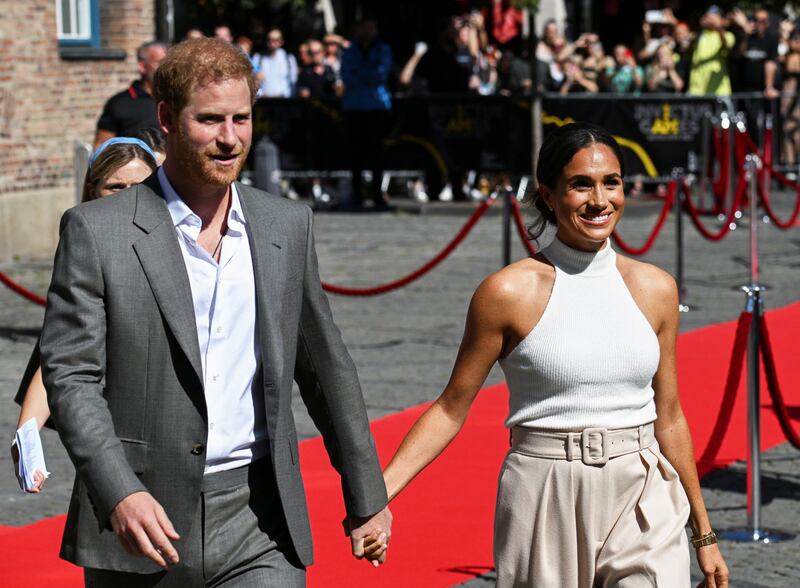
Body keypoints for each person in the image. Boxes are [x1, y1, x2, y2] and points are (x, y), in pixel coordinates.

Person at [38, 37, 391, 585]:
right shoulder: (97, 231)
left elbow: (325, 367)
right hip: (142, 520)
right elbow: (71, 376)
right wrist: (118, 490)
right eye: (209, 120)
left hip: (261, 521)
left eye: (242, 119)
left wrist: (367, 494)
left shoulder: (284, 226)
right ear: (167, 118)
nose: (230, 139)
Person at [375, 123, 730, 587]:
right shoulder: (507, 292)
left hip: (643, 490)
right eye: (581, 184)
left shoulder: (655, 288)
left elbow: (671, 417)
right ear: (547, 195)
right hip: (544, 492)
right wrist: (377, 495)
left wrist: (703, 534)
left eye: (612, 182)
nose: (600, 200)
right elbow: (449, 408)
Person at [10, 137, 159, 492]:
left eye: (139, 187)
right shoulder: (87, 243)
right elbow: (60, 352)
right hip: (120, 422)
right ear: (93, 191)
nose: (128, 197)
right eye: (116, 187)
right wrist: (26, 437)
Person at [340, 20, 393, 210]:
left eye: (371, 27)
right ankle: (357, 195)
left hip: (377, 106)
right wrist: (366, 74)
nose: (367, 31)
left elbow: (381, 74)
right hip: (354, 107)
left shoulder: (383, 49)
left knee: (377, 153)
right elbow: (347, 76)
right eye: (364, 27)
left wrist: (360, 73)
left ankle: (377, 195)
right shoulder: (350, 50)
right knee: (355, 153)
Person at [94, 42, 167, 148]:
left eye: (167, 63)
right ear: (142, 66)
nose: (165, 68)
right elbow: (101, 148)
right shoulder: (119, 104)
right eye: (160, 63)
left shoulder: (173, 99)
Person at [688, 6, 736, 96]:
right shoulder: (698, 35)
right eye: (708, 17)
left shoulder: (728, 35)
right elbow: (686, 46)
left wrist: (719, 28)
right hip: (697, 90)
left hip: (720, 91)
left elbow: (726, 46)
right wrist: (699, 26)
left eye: (714, 17)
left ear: (721, 19)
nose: (710, 20)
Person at [257, 28, 298, 97]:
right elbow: (253, 82)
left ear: (281, 41)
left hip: (284, 100)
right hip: (264, 101)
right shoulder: (258, 58)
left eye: (275, 40)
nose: (272, 42)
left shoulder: (289, 58)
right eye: (269, 40)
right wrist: (261, 94)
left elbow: (293, 81)